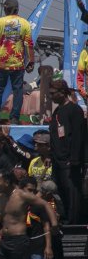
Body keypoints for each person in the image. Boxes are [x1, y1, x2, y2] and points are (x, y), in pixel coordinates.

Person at [0, 0, 34, 124]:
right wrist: (31, 61)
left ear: (5, 9)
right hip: (17, 64)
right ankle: (14, 118)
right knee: (17, 91)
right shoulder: (24, 23)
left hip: (1, 63)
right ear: (17, 9)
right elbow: (29, 44)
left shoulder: (0, 22)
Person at [48, 80, 85, 225]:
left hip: (69, 160)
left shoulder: (74, 110)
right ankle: (64, 217)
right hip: (58, 159)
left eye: (53, 94)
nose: (51, 97)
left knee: (72, 190)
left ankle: (74, 219)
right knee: (59, 189)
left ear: (62, 93)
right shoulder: (58, 111)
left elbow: (78, 136)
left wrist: (74, 159)